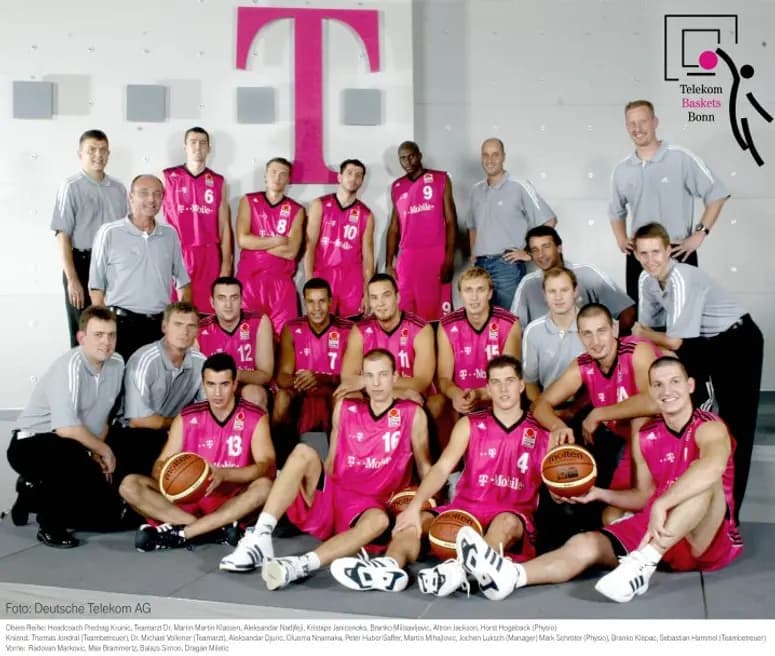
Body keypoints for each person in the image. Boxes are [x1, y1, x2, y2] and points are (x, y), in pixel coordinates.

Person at [456, 357, 743, 602]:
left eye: (675, 382)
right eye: (658, 385)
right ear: (651, 392)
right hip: (658, 527)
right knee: (585, 543)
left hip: (703, 539)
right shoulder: (646, 435)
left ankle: (644, 562)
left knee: (705, 483)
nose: (667, 391)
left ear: (690, 386)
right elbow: (643, 497)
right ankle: (512, 575)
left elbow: (712, 466)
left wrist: (662, 504)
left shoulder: (709, 426)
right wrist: (598, 493)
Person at [329, 355, 551, 596]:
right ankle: (389, 568)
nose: (503, 389)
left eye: (509, 381)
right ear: (487, 388)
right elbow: (441, 468)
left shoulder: (543, 433)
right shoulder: (470, 424)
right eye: (496, 382)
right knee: (412, 522)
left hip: (510, 513)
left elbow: (554, 489)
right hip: (465, 509)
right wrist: (414, 506)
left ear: (521, 385)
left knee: (505, 523)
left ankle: (458, 572)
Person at [219, 349, 432, 590]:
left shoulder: (412, 414)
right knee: (303, 452)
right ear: (362, 378)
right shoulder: (345, 407)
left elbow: (424, 466)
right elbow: (331, 460)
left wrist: (427, 505)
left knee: (379, 521)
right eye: (370, 376)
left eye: (383, 375)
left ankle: (300, 565)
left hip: (370, 506)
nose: (376, 383)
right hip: (335, 496)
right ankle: (260, 537)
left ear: (395, 377)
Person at [632, 221, 763, 523]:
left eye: (656, 252)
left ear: (669, 250)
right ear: (636, 255)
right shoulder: (646, 280)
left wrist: (646, 334)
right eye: (644, 254)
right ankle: (690, 504)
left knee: (736, 426)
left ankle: (729, 516)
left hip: (737, 341)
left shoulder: (681, 277)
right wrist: (646, 336)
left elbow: (673, 340)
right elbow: (647, 331)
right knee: (690, 413)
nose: (651, 260)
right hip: (703, 343)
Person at [531, 303, 662, 550]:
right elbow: (540, 405)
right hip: (623, 443)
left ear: (614, 329)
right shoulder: (583, 364)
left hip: (659, 439)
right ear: (579, 336)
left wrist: (599, 413)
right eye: (587, 334)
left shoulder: (637, 350)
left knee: (639, 420)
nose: (595, 341)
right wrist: (557, 425)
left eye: (601, 331)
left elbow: (653, 401)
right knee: (607, 516)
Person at [118, 353, 275, 551]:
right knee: (129, 485)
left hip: (230, 500)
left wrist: (224, 475)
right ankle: (212, 530)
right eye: (211, 384)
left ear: (235, 384)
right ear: (203, 384)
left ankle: (183, 533)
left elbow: (266, 466)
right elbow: (160, 465)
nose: (217, 392)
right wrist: (179, 477)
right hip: (188, 499)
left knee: (265, 487)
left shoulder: (255, 417)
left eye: (224, 384)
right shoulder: (186, 417)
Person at [6, 306, 126, 548]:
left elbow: (102, 418)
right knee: (68, 455)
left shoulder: (117, 363)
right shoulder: (69, 366)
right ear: (82, 337)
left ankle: (31, 493)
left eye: (111, 335)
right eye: (98, 335)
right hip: (32, 442)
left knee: (108, 517)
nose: (106, 342)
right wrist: (104, 450)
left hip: (74, 444)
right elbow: (66, 429)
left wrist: (97, 451)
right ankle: (50, 525)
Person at [609, 100, 729, 303]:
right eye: (632, 123)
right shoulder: (621, 170)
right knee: (642, 317)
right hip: (640, 255)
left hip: (677, 250)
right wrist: (622, 240)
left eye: (643, 121)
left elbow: (717, 194)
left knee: (685, 314)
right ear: (627, 127)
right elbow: (616, 211)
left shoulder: (680, 158)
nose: (637, 128)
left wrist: (700, 233)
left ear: (655, 122)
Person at [89, 174, 191, 361]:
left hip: (159, 327)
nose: (151, 199)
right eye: (144, 193)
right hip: (121, 325)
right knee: (120, 378)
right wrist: (104, 331)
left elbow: (183, 284)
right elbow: (96, 287)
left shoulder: (169, 234)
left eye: (157, 194)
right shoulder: (109, 232)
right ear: (131, 196)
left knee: (158, 379)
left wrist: (181, 324)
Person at [109, 302, 206, 480]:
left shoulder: (201, 363)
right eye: (178, 324)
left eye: (191, 326)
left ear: (197, 331)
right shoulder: (145, 360)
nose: (184, 332)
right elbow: (138, 420)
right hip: (134, 434)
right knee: (137, 479)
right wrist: (180, 424)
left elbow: (205, 413)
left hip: (172, 432)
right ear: (164, 327)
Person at [51, 130, 128, 347]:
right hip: (82, 264)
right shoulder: (71, 187)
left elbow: (125, 231)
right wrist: (72, 279)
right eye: (91, 150)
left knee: (113, 332)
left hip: (113, 267)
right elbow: (62, 235)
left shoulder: (118, 189)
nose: (98, 155)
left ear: (108, 154)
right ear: (80, 154)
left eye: (103, 150)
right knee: (84, 333)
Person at [431, 267, 521, 447]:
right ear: (460, 294)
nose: (474, 297)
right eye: (468, 290)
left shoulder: (509, 323)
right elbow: (444, 379)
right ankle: (455, 462)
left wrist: (479, 394)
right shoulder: (447, 324)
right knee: (441, 406)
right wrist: (457, 395)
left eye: (480, 290)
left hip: (497, 399)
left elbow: (511, 379)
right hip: (461, 402)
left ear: (490, 293)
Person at [467, 138, 557, 310]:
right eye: (485, 155)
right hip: (480, 267)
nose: (490, 160)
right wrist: (474, 254)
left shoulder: (519, 186)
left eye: (495, 155)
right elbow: (472, 225)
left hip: (507, 267)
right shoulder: (476, 190)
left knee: (509, 318)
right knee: (484, 318)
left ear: (503, 157)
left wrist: (529, 253)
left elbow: (549, 220)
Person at [273, 278, 353, 465]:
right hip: (301, 392)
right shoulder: (292, 328)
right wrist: (304, 381)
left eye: (322, 301)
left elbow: (353, 376)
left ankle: (338, 463)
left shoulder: (348, 329)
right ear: (304, 302)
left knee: (342, 400)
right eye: (311, 302)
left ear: (330, 302)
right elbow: (282, 377)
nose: (316, 308)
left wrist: (320, 378)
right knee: (282, 399)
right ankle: (280, 462)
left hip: (333, 391)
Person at [163, 127, 233, 312]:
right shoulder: (168, 177)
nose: (197, 147)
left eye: (202, 143)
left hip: (208, 254)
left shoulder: (218, 181)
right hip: (177, 252)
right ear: (185, 147)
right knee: (176, 311)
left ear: (209, 148)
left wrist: (226, 263)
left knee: (205, 312)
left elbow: (224, 226)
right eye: (193, 142)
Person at [512, 225, 635, 332]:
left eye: (546, 246)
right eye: (535, 250)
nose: (541, 254)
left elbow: (627, 314)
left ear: (559, 247)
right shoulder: (528, 284)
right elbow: (514, 328)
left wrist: (605, 343)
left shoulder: (588, 274)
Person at [385, 141, 457, 322]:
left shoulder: (440, 178)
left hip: (435, 254)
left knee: (438, 314)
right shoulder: (397, 186)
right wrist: (388, 264)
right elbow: (394, 227)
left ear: (419, 155)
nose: (407, 162)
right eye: (402, 158)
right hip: (408, 258)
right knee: (407, 315)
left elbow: (451, 221)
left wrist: (449, 257)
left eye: (411, 156)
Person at [336, 274, 435, 403]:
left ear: (397, 298)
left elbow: (420, 383)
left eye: (386, 295)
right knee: (344, 397)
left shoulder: (421, 329)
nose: (380, 303)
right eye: (374, 297)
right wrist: (392, 392)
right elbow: (348, 379)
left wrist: (366, 381)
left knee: (422, 400)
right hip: (375, 396)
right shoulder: (360, 330)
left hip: (410, 399)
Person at [235, 157, 305, 334]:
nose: (277, 177)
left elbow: (291, 252)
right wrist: (276, 240)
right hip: (249, 282)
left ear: (288, 179)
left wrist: (257, 242)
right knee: (247, 336)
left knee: (284, 339)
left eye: (283, 174)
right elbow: (243, 240)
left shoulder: (297, 210)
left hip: (280, 284)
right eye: (273, 172)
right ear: (265, 175)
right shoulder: (248, 201)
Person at [303, 159, 375, 318]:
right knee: (322, 326)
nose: (353, 178)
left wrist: (367, 292)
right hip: (323, 277)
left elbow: (368, 259)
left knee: (350, 328)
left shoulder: (366, 215)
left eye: (358, 175)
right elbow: (309, 246)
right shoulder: (319, 204)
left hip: (352, 283)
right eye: (349, 173)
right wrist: (309, 281)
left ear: (362, 181)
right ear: (339, 177)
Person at [197, 276, 273, 409]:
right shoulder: (200, 328)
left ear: (242, 300)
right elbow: (196, 378)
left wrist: (233, 374)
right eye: (221, 298)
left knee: (254, 395)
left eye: (234, 298)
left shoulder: (259, 321)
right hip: (216, 389)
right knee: (204, 393)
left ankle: (257, 424)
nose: (228, 305)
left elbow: (265, 375)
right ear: (212, 302)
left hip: (249, 387)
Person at [521, 267, 585, 401]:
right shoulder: (533, 331)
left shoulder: (593, 325)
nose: (558, 297)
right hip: (547, 403)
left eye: (564, 290)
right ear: (544, 295)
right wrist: (542, 408)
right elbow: (530, 383)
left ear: (575, 291)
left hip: (588, 404)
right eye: (552, 291)